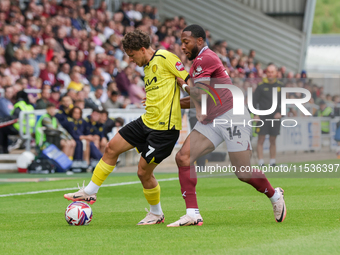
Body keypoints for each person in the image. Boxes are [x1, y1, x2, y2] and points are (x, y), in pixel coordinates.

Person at [64, 29, 189, 225]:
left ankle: (156, 214)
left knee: (143, 173)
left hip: (164, 130)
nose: (131, 60)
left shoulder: (166, 57)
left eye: (132, 55)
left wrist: (179, 95)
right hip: (147, 121)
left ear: (141, 49)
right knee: (111, 147)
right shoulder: (147, 66)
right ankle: (90, 192)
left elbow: (192, 86)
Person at [167, 25, 286, 227]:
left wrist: (182, 85)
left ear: (200, 41)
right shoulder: (198, 62)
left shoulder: (206, 58)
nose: (182, 46)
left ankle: (275, 196)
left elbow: (201, 95)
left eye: (186, 42)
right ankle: (192, 213)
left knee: (243, 173)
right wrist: (165, 103)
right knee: (183, 157)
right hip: (213, 119)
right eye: (181, 42)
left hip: (232, 115)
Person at [253, 64, 284, 167]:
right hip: (262, 117)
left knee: (273, 140)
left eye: (272, 72)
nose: (270, 74)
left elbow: (284, 102)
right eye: (268, 72)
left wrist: (281, 113)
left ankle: (272, 161)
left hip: (275, 118)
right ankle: (261, 162)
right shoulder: (261, 86)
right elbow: (253, 102)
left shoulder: (280, 86)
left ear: (276, 73)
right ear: (266, 73)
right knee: (261, 139)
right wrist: (255, 114)